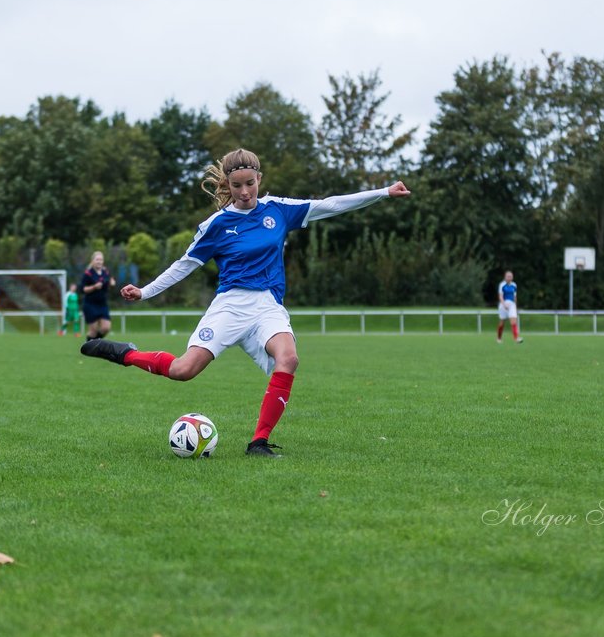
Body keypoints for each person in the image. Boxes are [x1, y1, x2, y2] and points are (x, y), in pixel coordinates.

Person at [80, 148, 411, 457]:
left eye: (250, 184)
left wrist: (382, 193)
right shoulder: (217, 224)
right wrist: (145, 291)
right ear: (228, 184)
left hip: (268, 307)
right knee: (183, 370)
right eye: (237, 186)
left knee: (289, 358)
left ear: (259, 180)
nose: (244, 192)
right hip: (230, 306)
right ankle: (125, 353)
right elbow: (185, 265)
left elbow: (331, 204)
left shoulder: (278, 209)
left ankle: (259, 442)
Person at [80, 251, 116, 340]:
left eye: (101, 259)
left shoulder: (105, 272)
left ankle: (94, 343)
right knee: (93, 331)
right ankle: (90, 345)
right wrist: (94, 287)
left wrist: (112, 283)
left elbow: (110, 281)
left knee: (106, 328)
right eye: (97, 259)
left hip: (102, 304)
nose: (99, 261)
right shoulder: (88, 274)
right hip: (90, 304)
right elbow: (82, 289)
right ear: (92, 261)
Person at [496, 271, 523, 344]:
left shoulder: (514, 285)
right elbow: (500, 296)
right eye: (508, 276)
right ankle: (499, 338)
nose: (509, 278)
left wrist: (516, 306)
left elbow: (514, 296)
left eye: (511, 276)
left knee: (513, 321)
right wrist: (504, 304)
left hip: (512, 305)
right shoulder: (502, 285)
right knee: (501, 323)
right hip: (503, 305)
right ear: (505, 277)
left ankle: (516, 338)